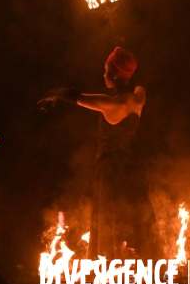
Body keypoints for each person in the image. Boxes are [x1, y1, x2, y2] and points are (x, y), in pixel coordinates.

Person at [38, 46, 161, 262]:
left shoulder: (110, 103)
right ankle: (138, 264)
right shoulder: (138, 99)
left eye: (106, 70)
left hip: (111, 171)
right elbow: (139, 83)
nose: (103, 74)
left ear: (114, 75)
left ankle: (112, 265)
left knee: (110, 218)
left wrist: (55, 93)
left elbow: (77, 97)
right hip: (132, 169)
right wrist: (126, 60)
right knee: (135, 217)